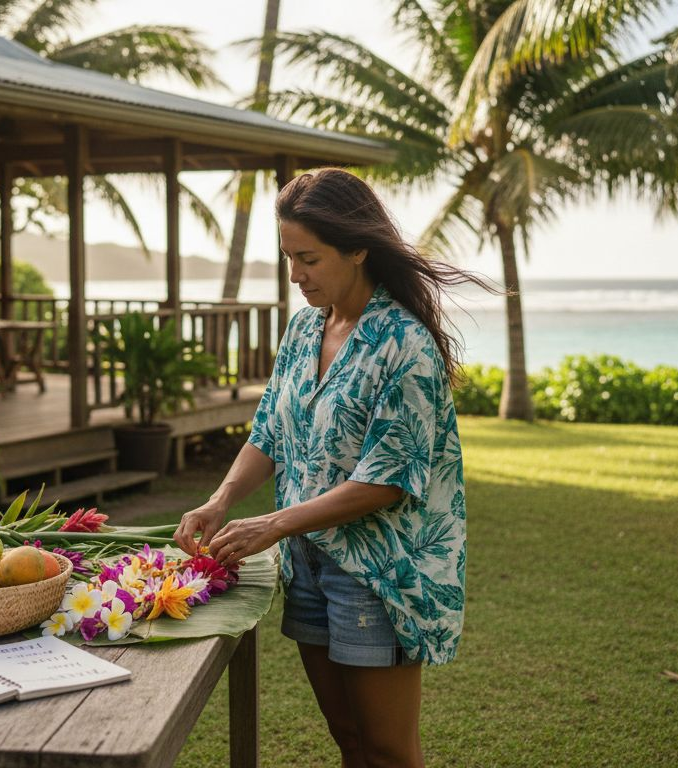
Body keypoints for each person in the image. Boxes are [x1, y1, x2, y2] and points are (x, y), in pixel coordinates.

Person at [173, 168, 490, 767]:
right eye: (289, 257)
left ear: (358, 249)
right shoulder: (303, 329)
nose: (296, 276)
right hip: (309, 564)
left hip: (379, 571)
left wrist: (274, 525)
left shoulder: (405, 344)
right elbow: (270, 431)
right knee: (347, 737)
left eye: (309, 259)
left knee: (389, 750)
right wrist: (219, 501)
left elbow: (387, 481)